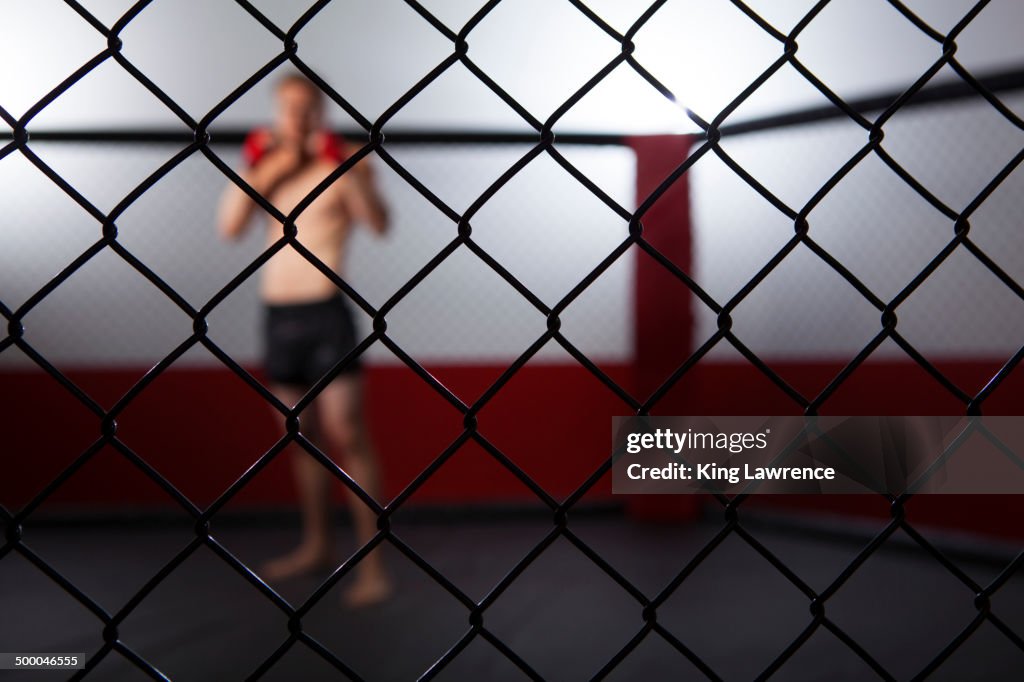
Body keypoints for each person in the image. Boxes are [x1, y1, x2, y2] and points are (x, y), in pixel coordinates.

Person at [216, 72, 391, 607]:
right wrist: (275, 166)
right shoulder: (263, 163)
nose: (298, 118)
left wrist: (347, 167)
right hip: (277, 313)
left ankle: (372, 567)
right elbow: (230, 225)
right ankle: (316, 545)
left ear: (321, 113)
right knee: (299, 437)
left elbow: (378, 223)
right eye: (288, 109)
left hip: (326, 311)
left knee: (347, 432)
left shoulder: (343, 161)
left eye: (307, 109)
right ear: (276, 113)